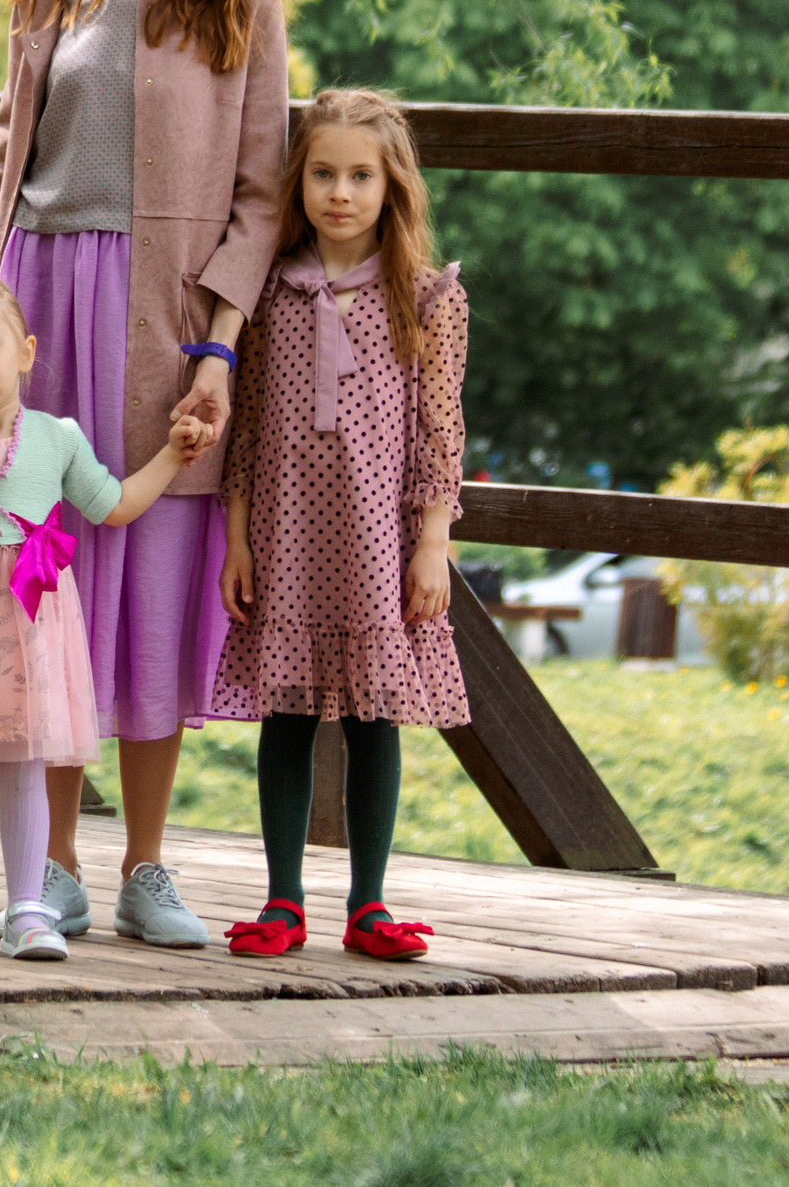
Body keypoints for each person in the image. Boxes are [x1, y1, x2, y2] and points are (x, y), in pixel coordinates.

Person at [0, 0, 290, 949]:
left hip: (168, 324)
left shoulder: (242, 6)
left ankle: (145, 870)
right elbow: (5, 167)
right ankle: (47, 866)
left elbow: (262, 198)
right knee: (48, 583)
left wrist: (218, 345)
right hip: (45, 303)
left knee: (152, 583)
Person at [0, 276, 211, 960]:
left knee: (22, 768)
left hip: (25, 635)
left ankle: (29, 905)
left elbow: (113, 504)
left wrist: (174, 456)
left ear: (24, 352)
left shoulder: (57, 439)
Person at [213, 89, 470, 962]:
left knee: (373, 717)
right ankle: (284, 897)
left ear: (392, 187)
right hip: (284, 538)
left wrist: (432, 539)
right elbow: (244, 428)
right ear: (300, 180)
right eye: (323, 172)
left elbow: (442, 430)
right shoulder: (267, 296)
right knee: (285, 712)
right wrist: (239, 536)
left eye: (361, 176)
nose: (341, 192)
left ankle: (369, 901)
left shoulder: (426, 298)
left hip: (378, 544)